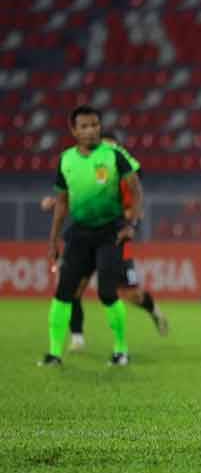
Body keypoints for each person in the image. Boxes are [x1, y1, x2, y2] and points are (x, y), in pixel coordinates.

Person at [41, 133, 168, 350]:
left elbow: (133, 203)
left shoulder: (125, 176)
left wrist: (130, 217)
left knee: (130, 294)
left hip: (114, 239)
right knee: (73, 289)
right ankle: (77, 336)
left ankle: (154, 311)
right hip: (85, 237)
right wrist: (54, 202)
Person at [39, 106, 142, 367]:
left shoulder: (114, 155)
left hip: (110, 233)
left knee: (107, 293)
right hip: (80, 235)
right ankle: (54, 354)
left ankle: (121, 350)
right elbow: (62, 204)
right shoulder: (66, 160)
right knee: (64, 293)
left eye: (95, 125)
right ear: (74, 131)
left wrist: (132, 224)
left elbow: (136, 189)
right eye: (84, 126)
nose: (91, 130)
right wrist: (53, 241)